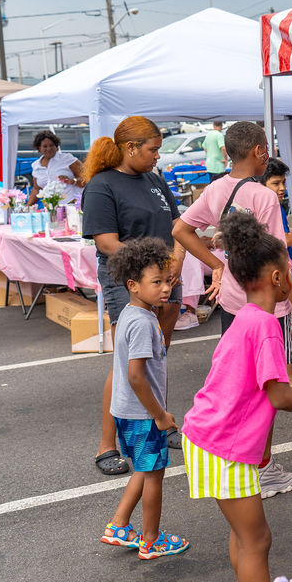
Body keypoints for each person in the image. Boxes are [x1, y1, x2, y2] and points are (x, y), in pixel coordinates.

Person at [180, 211, 292, 582]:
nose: (291, 278)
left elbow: (268, 388)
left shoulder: (248, 318)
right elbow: (279, 395)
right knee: (257, 540)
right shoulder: (267, 326)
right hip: (224, 447)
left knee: (244, 535)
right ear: (276, 278)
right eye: (289, 270)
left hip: (210, 440)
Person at [173, 121, 292, 499]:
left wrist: (218, 265)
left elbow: (180, 230)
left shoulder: (216, 188)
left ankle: (248, 462)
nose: (268, 152)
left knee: (242, 385)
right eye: (265, 146)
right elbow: (279, 256)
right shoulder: (263, 196)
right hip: (266, 302)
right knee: (269, 388)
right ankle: (263, 467)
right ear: (257, 151)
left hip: (233, 303)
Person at [82, 116, 186, 476]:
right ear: (130, 148)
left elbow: (177, 227)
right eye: (153, 149)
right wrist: (150, 270)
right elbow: (107, 242)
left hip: (164, 277)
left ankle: (161, 422)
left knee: (157, 355)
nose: (158, 156)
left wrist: (177, 260)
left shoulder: (155, 180)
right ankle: (107, 444)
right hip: (128, 281)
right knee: (127, 361)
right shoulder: (102, 185)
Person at [100, 237, 189, 560]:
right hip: (143, 414)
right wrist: (160, 415)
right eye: (157, 283)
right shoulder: (141, 322)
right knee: (154, 476)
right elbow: (136, 375)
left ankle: (119, 524)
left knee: (143, 467)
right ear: (133, 285)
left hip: (129, 411)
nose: (165, 288)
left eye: (167, 281)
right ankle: (151, 540)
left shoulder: (133, 312)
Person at [25, 129, 84, 207]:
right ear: (39, 148)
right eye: (45, 146)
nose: (49, 148)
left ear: (56, 146)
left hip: (72, 205)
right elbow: (36, 189)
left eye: (51, 145)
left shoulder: (67, 159)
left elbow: (87, 178)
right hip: (51, 209)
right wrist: (27, 207)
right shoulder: (36, 166)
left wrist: (73, 181)